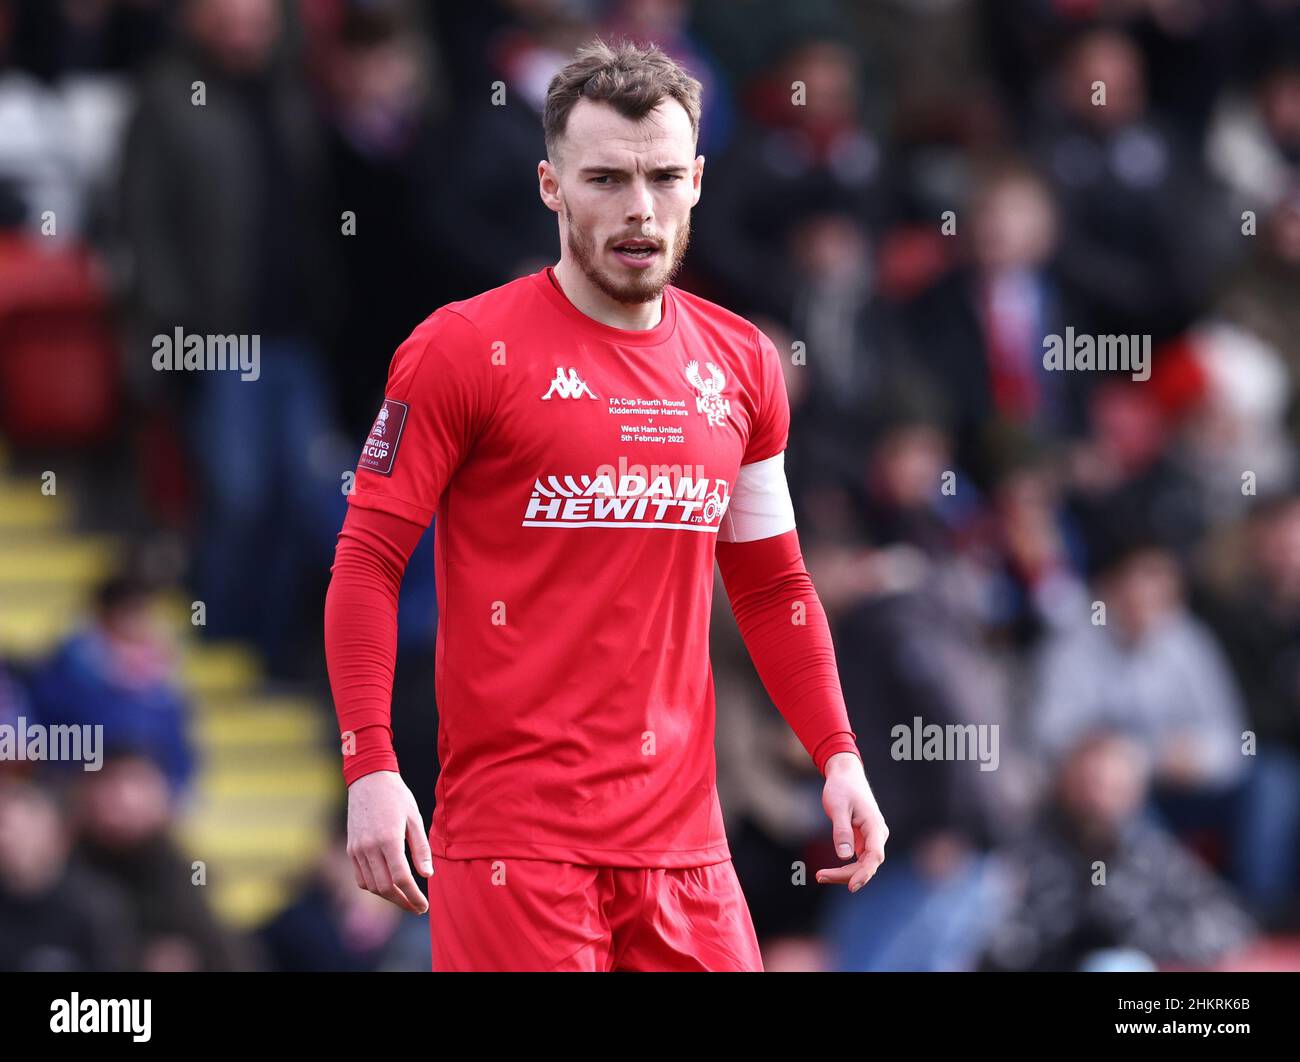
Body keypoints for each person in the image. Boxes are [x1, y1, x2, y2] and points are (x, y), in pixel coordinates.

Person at [324, 37, 887, 972]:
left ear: (699, 180)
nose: (639, 210)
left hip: (686, 849)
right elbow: (366, 565)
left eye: (665, 178)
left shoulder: (743, 364)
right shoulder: (461, 350)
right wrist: (371, 767)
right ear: (550, 185)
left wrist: (838, 752)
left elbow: (773, 583)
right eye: (606, 180)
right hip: (517, 849)